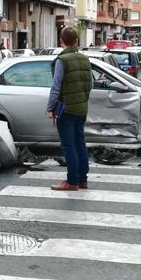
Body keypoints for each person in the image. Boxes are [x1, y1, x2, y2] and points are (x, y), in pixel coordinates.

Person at [46, 26, 92, 191]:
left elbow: (56, 87)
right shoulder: (85, 59)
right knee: (80, 143)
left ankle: (72, 181)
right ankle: (82, 179)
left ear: (61, 41)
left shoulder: (62, 60)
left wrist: (50, 108)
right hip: (81, 109)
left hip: (65, 109)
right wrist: (82, 100)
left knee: (68, 145)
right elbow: (90, 85)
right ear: (77, 41)